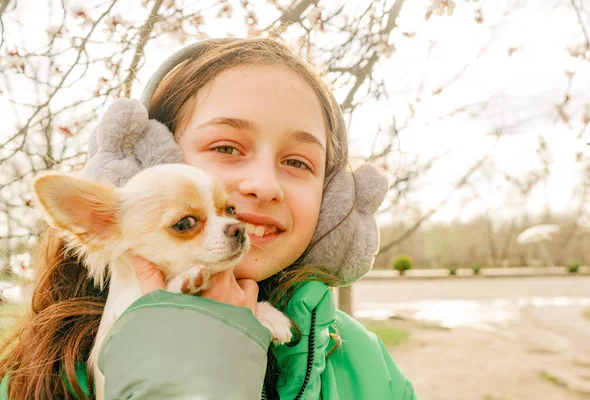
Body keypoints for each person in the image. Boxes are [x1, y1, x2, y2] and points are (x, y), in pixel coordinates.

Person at [0, 37, 417, 399]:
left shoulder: (369, 366)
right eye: (227, 148)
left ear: (332, 204)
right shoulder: (37, 376)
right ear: (145, 165)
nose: (264, 184)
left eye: (296, 161)